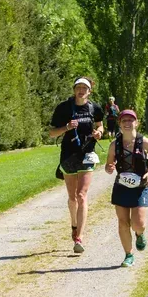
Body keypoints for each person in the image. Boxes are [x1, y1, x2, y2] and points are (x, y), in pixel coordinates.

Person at [49, 77, 104, 253]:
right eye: (78, 87)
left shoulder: (95, 108)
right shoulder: (63, 108)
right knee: (72, 197)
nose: (81, 90)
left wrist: (99, 133)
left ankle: (79, 237)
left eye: (84, 88)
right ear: (74, 90)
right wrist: (66, 127)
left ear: (89, 91)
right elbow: (51, 133)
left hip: (87, 154)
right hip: (68, 155)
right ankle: (74, 224)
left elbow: (100, 125)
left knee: (82, 195)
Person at [105, 109, 148, 267]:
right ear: (120, 124)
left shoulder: (144, 142)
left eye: (131, 120)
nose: (127, 123)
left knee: (138, 224)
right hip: (121, 186)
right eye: (124, 121)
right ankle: (128, 255)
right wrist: (109, 167)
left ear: (136, 123)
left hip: (140, 186)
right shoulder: (114, 144)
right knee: (123, 223)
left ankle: (139, 233)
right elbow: (108, 164)